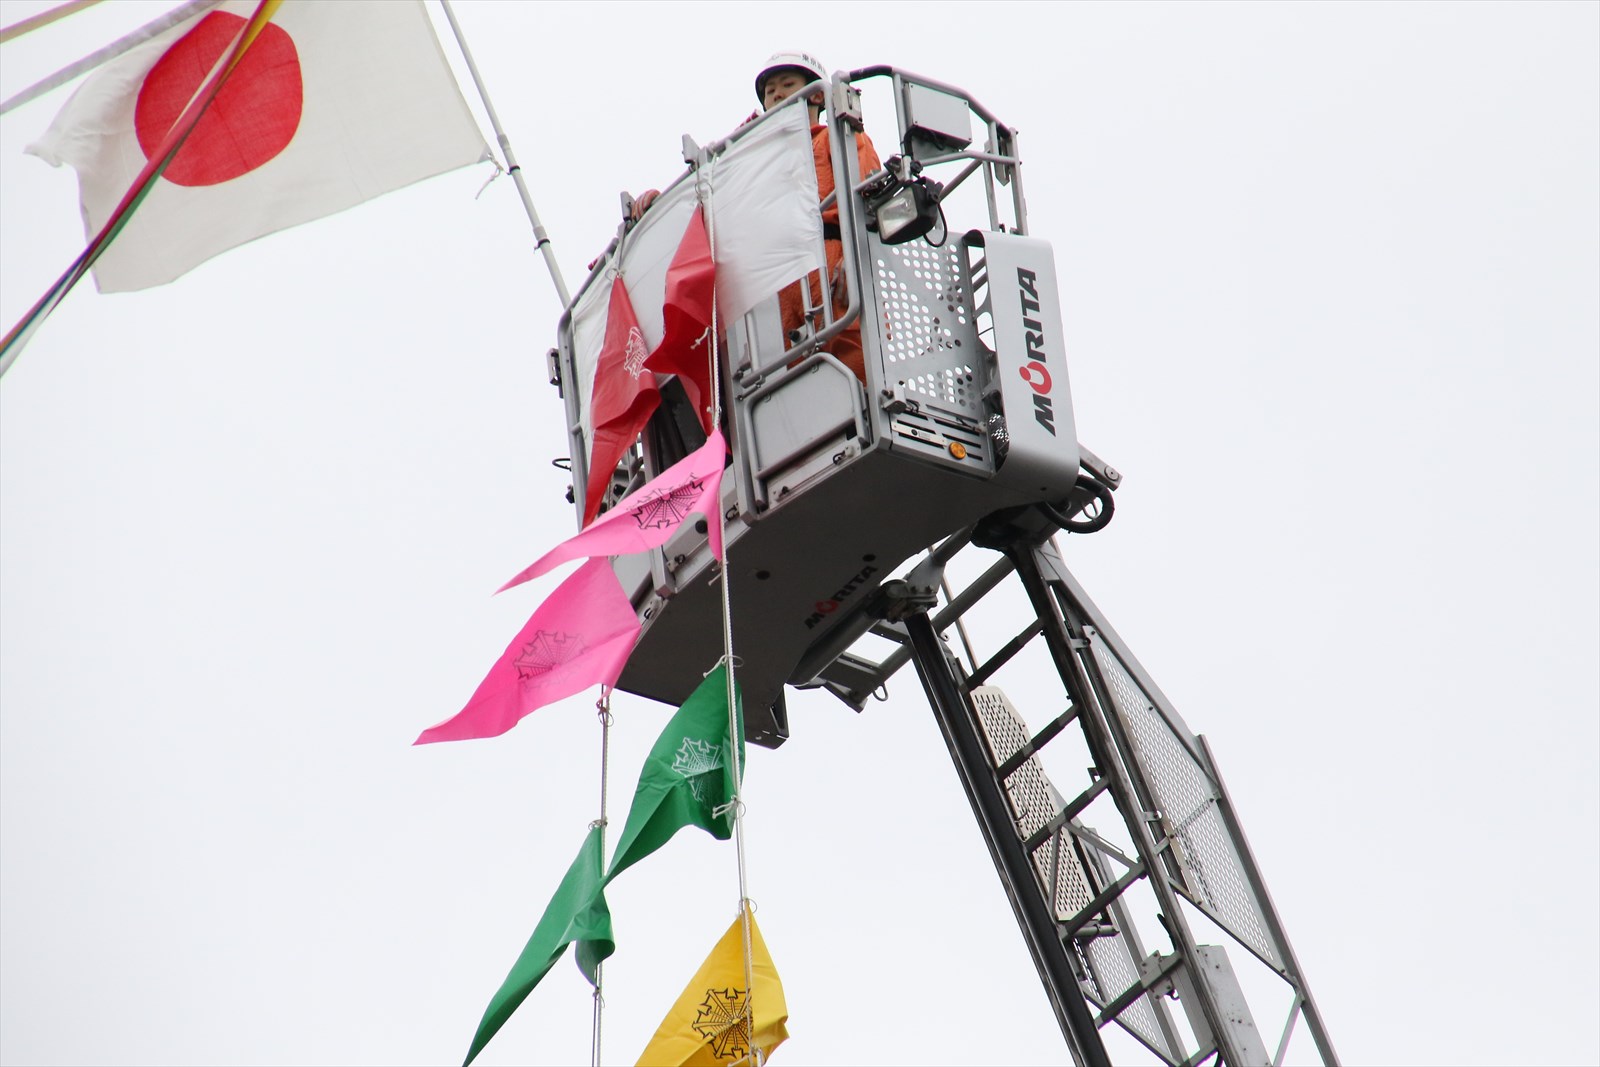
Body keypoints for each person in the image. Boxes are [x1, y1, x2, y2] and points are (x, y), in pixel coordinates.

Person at [753, 51, 882, 384]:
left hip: (829, 257)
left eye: (787, 85)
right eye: (770, 91)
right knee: (792, 381)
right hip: (779, 279)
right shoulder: (754, 163)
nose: (776, 95)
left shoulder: (837, 136)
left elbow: (869, 196)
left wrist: (857, 257)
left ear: (815, 95)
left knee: (858, 359)